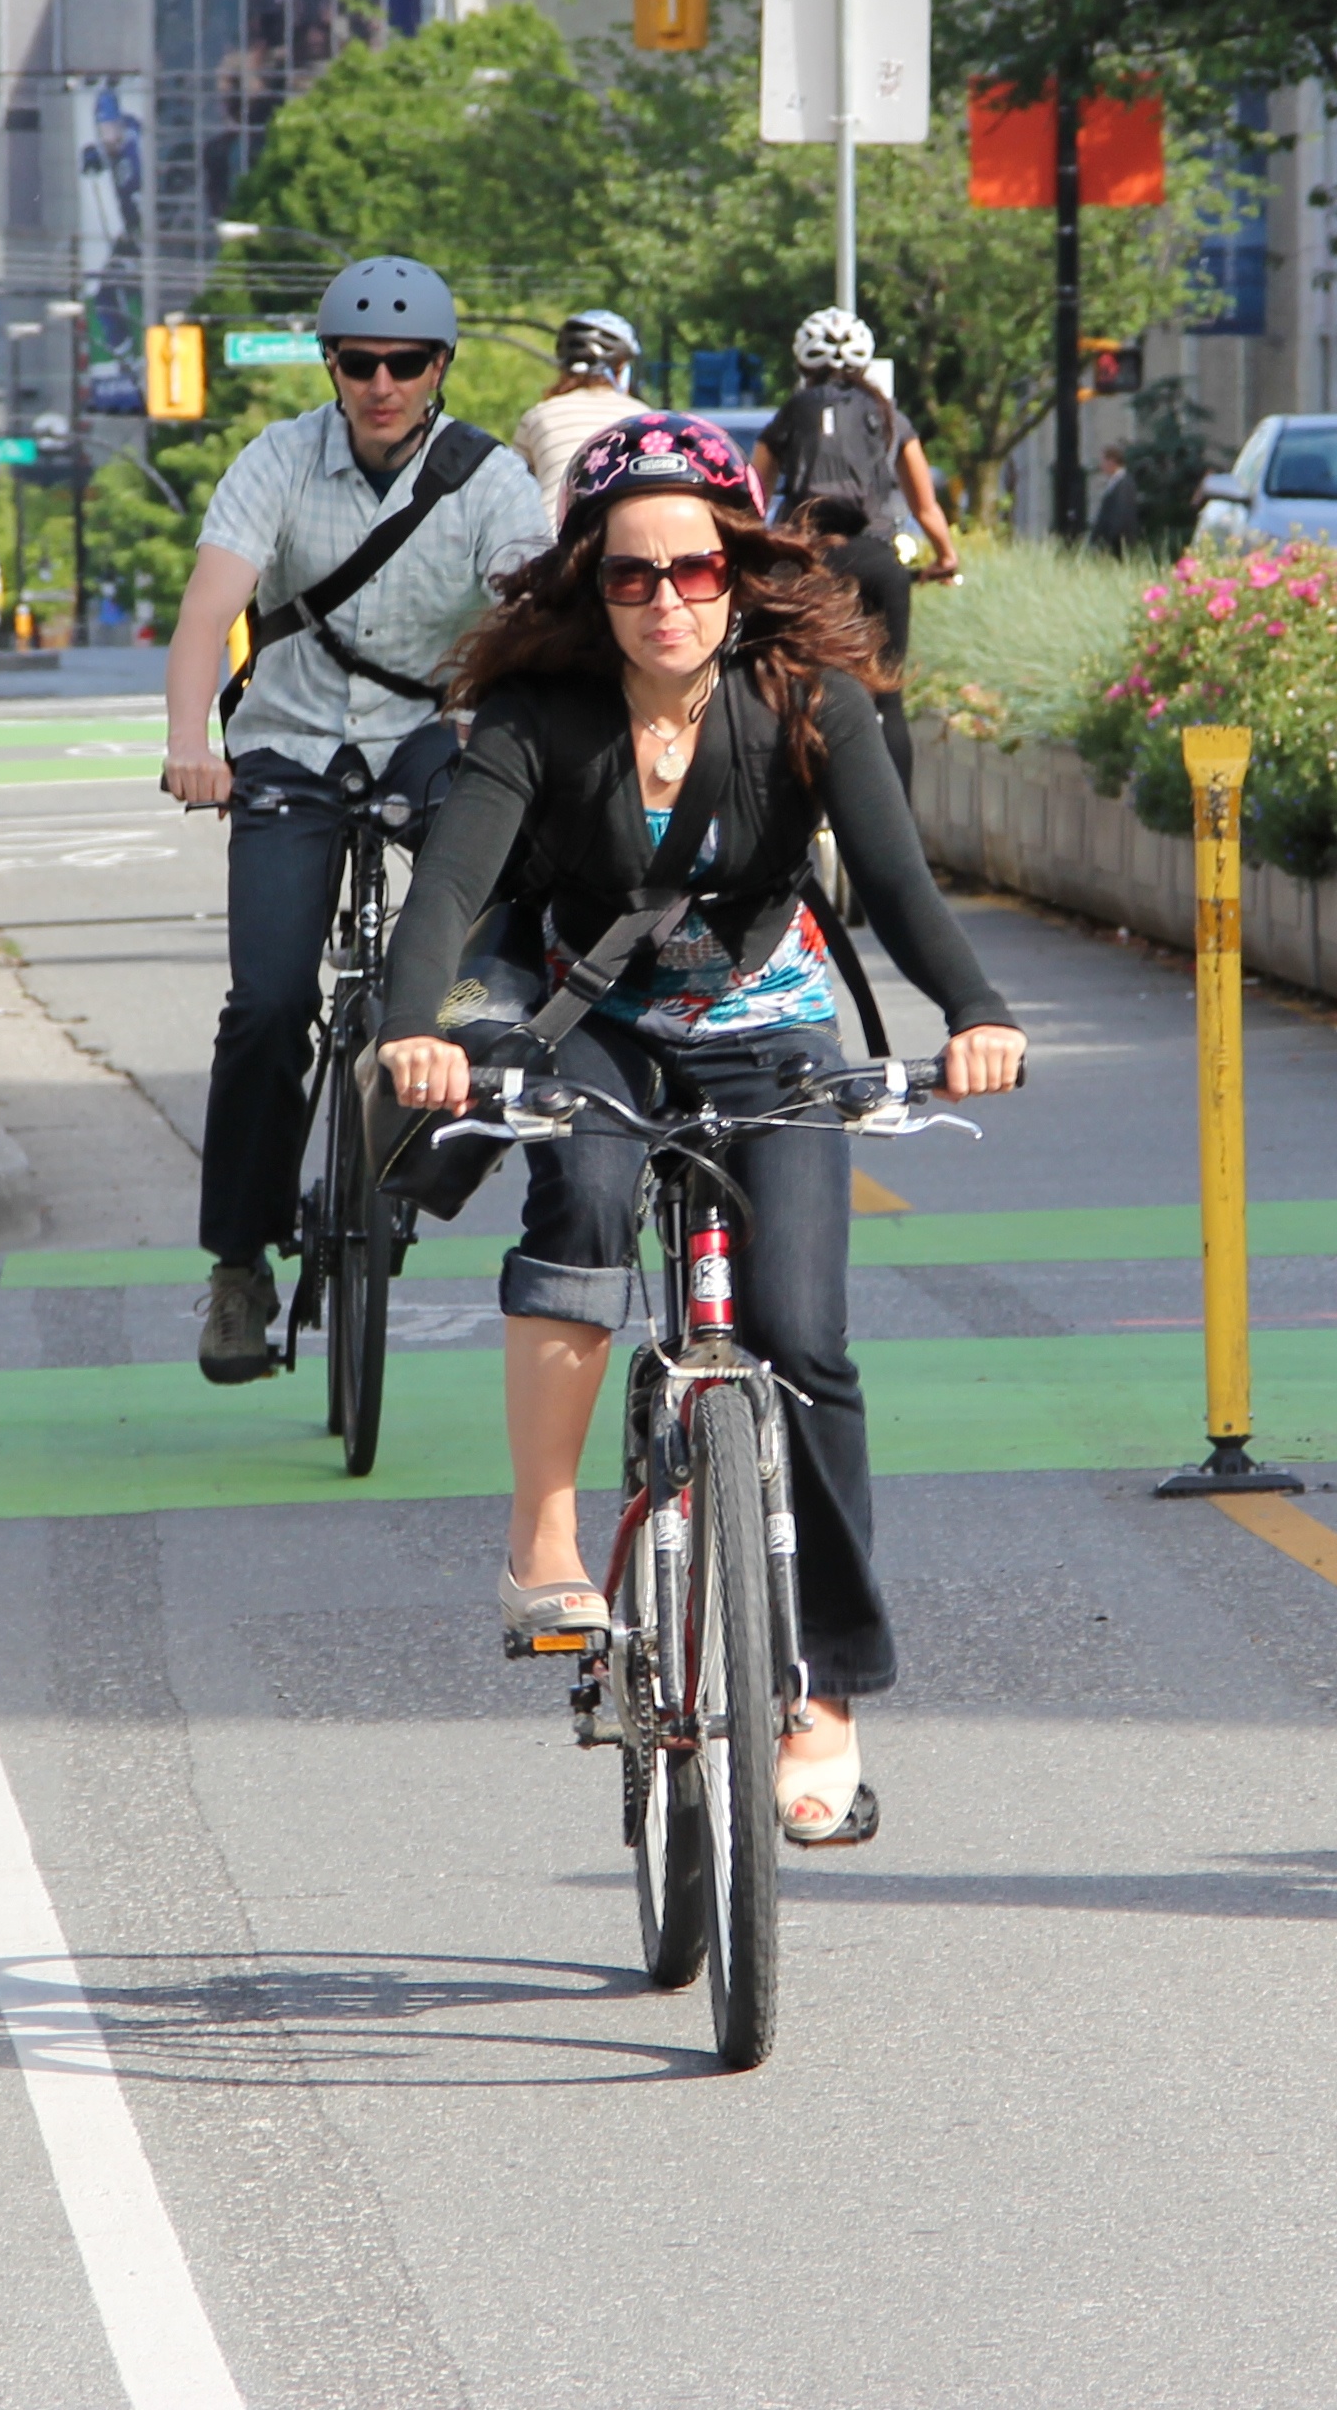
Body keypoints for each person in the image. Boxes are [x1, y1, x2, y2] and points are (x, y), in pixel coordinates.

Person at [375, 410, 1028, 1848]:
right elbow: (446, 897)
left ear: (739, 567)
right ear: (585, 586)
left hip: (767, 1027)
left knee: (804, 1339)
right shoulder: (536, 725)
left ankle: (827, 1692)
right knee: (584, 1204)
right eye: (629, 576)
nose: (665, 600)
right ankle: (545, 1543)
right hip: (591, 1024)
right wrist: (412, 1029)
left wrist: (974, 1012)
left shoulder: (809, 702)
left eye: (694, 569)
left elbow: (907, 896)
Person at [162, 252, 554, 1383]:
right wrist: (194, 743)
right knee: (269, 1005)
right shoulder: (276, 459)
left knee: (465, 985)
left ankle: (413, 1167)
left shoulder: (488, 482)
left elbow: (523, 614)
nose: (382, 383)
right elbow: (207, 615)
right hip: (286, 747)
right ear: (330, 365)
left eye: (407, 363)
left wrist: (496, 715)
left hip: (435, 745)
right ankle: (240, 1266)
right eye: (359, 362)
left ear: (440, 368)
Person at [752, 307, 954, 672]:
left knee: (793, 682)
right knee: (887, 690)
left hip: (803, 561)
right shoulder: (887, 413)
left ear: (802, 366)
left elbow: (753, 498)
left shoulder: (789, 413)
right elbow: (925, 506)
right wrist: (946, 557)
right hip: (875, 560)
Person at [510, 309, 645, 494]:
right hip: (620, 522)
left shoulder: (538, 416)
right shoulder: (643, 418)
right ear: (621, 366)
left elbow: (514, 488)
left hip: (553, 522)